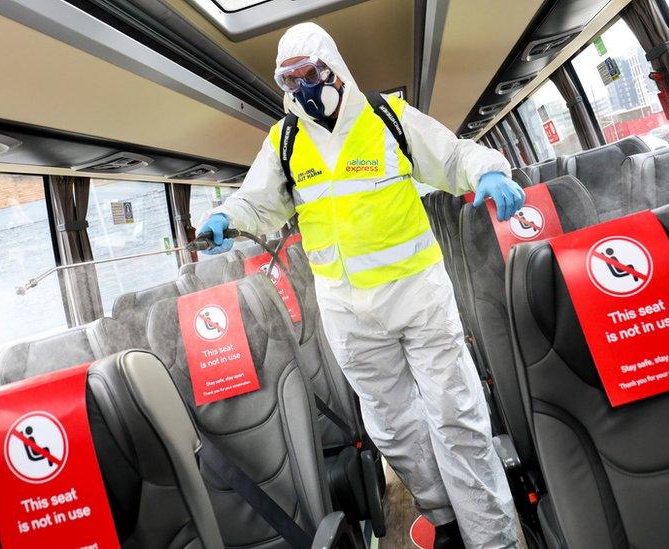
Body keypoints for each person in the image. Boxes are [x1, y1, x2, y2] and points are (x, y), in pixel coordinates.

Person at [198, 22, 524, 549]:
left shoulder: (386, 119)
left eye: (312, 73)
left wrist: (487, 171)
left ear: (334, 68)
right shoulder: (285, 141)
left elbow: (454, 156)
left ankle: (494, 538)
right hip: (346, 308)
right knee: (393, 428)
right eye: (291, 78)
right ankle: (444, 520)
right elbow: (257, 202)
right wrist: (225, 218)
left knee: (455, 415)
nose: (304, 86)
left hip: (416, 292)